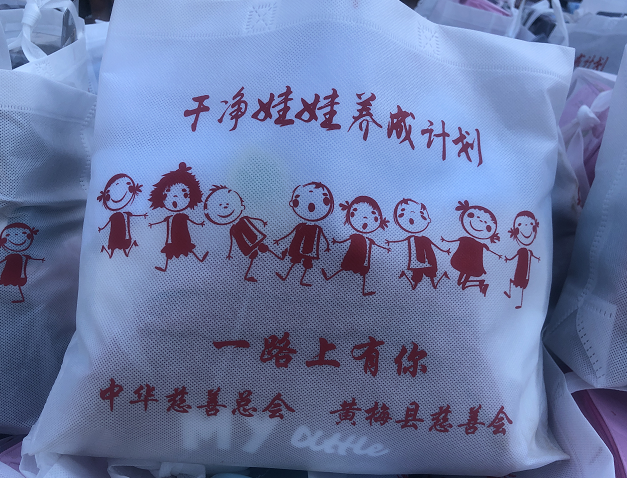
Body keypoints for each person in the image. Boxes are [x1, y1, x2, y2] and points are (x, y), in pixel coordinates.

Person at [204, 185, 284, 282]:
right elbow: (232, 241)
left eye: (227, 203)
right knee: (253, 257)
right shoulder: (233, 229)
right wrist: (229, 253)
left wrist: (262, 222)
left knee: (263, 248)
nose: (225, 207)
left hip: (254, 240)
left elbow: (252, 220)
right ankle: (247, 276)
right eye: (220, 205)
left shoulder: (243, 220)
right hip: (247, 246)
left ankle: (280, 257)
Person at [321, 196, 390, 296]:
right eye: (357, 213)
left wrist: (385, 248)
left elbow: (376, 245)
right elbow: (346, 240)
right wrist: (337, 242)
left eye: (373, 214)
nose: (365, 218)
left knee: (361, 272)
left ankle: (363, 291)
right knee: (345, 268)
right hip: (351, 256)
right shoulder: (355, 236)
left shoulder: (368, 239)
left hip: (361, 259)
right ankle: (329, 277)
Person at [148, 162, 207, 272]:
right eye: (168, 192)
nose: (175, 196)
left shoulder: (182, 216)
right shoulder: (171, 217)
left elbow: (191, 221)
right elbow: (164, 222)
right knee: (174, 249)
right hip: (174, 238)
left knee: (187, 247)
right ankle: (165, 267)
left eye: (183, 192)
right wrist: (153, 223)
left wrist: (199, 223)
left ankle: (199, 258)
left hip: (184, 236)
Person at [274, 182, 333, 287]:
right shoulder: (301, 225)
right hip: (298, 248)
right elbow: (290, 233)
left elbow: (323, 237)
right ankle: (285, 276)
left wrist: (328, 245)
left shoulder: (317, 228)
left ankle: (301, 280)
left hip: (309, 250)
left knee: (306, 264)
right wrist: (279, 240)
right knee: (295, 261)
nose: (311, 206)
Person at [386, 198, 450, 290]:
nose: (413, 217)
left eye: (421, 215)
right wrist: (390, 242)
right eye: (403, 215)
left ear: (428, 220)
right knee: (418, 275)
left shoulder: (425, 238)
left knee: (430, 274)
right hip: (417, 261)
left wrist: (444, 250)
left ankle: (432, 285)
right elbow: (401, 241)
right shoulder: (411, 238)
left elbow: (434, 245)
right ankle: (415, 286)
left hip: (428, 259)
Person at [441, 200, 501, 296]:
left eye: (487, 225)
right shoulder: (467, 239)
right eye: (472, 215)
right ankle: (477, 283)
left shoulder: (479, 244)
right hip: (464, 262)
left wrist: (497, 254)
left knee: (464, 279)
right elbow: (455, 240)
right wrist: (445, 240)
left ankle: (476, 283)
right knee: (461, 279)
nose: (480, 222)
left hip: (471, 264)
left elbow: (487, 251)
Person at [97, 173, 146, 258]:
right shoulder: (117, 215)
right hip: (115, 235)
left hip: (119, 235)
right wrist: (102, 228)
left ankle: (105, 249)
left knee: (119, 252)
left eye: (129, 186)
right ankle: (104, 248)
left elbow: (132, 216)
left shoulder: (123, 214)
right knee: (117, 252)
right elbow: (109, 222)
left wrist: (143, 215)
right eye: (108, 194)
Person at [504, 211, 540, 309]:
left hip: (524, 272)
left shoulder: (528, 251)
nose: (526, 227)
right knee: (514, 283)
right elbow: (514, 256)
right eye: (520, 225)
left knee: (521, 288)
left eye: (531, 224)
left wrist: (537, 258)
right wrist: (508, 259)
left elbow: (532, 257)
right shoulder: (522, 250)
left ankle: (519, 303)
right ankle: (510, 294)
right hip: (519, 271)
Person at [0, 223, 44, 303]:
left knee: (17, 285)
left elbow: (32, 258)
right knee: (6, 283)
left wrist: (41, 259)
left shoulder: (23, 256)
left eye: (24, 234)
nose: (16, 236)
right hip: (7, 272)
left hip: (18, 273)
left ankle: (21, 298)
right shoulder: (11, 256)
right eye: (8, 235)